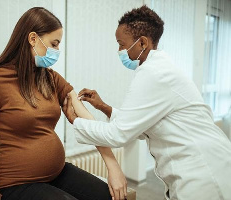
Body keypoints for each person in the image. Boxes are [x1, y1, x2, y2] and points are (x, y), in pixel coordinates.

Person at [62, 5, 231, 200]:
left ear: (142, 43)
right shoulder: (159, 70)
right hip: (203, 164)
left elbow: (119, 134)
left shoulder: (153, 74)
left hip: (203, 172)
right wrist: (104, 107)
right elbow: (141, 126)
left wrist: (76, 120)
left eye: (121, 44)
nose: (119, 51)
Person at [0, 7, 127, 200]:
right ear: (33, 39)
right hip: (17, 183)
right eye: (54, 44)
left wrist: (113, 167)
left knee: (110, 197)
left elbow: (87, 119)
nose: (57, 51)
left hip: (57, 173)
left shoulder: (50, 78)